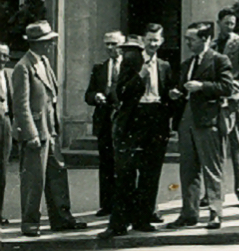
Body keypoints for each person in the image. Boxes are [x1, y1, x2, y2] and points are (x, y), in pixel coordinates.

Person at [98, 26, 176, 239]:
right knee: (126, 173)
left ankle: (143, 219)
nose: (153, 44)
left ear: (161, 41)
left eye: (156, 40)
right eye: (149, 40)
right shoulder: (131, 61)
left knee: (151, 174)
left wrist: (172, 98)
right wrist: (141, 75)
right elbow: (121, 93)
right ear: (143, 41)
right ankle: (118, 224)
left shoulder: (165, 66)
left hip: (156, 121)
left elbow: (168, 96)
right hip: (134, 121)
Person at [12, 20, 87, 237]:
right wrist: (31, 134)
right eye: (47, 41)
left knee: (57, 175)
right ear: (36, 43)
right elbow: (21, 105)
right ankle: (30, 223)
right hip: (37, 133)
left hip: (50, 130)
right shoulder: (23, 67)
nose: (51, 45)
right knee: (34, 180)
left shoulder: (44, 62)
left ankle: (62, 219)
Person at [167, 22, 234, 231]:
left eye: (191, 39)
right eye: (187, 39)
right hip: (186, 120)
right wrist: (176, 93)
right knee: (187, 169)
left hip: (207, 121)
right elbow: (181, 87)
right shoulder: (187, 64)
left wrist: (201, 86)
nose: (187, 43)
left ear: (205, 39)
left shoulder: (219, 60)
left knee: (211, 169)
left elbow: (227, 87)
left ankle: (215, 212)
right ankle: (189, 213)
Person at [211, 8, 239, 209]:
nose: (230, 27)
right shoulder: (212, 44)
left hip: (234, 101)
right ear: (219, 23)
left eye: (233, 23)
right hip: (215, 100)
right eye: (227, 23)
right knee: (214, 149)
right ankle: (213, 193)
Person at [84, 30, 124, 217]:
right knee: (106, 163)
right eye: (107, 44)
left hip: (124, 121)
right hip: (105, 121)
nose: (110, 48)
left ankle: (124, 204)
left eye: (113, 44)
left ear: (122, 45)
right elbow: (88, 94)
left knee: (124, 164)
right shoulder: (99, 68)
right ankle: (107, 204)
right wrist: (96, 96)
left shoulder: (129, 67)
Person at [0, 44, 11, 226]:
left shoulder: (9, 74)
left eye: (5, 56)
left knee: (2, 169)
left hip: (6, 122)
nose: (2, 60)